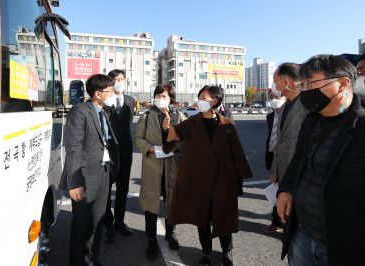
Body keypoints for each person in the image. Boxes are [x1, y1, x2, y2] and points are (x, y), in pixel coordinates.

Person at [277, 55, 365, 266]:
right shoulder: (311, 121)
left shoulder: (364, 127)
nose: (306, 91)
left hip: (342, 246)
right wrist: (285, 189)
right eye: (303, 85)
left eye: (312, 84)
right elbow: (298, 160)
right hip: (301, 233)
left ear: (343, 83)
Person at [162, 85, 253, 266]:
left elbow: (237, 153)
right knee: (201, 218)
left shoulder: (227, 124)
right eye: (199, 97)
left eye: (204, 97)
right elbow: (174, 135)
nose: (199, 100)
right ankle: (207, 253)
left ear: (215, 100)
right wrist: (167, 128)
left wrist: (239, 180)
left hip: (223, 181)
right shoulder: (191, 122)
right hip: (199, 180)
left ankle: (227, 252)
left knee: (224, 218)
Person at [59, 74, 118, 266]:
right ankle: (77, 262)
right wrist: (74, 182)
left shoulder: (105, 112)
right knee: (81, 225)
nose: (114, 94)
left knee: (97, 221)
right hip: (84, 176)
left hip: (103, 173)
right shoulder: (80, 111)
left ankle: (91, 259)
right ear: (98, 94)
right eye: (110, 91)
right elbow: (73, 147)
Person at [133, 84, 187, 260]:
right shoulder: (147, 116)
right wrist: (150, 149)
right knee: (151, 204)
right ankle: (151, 238)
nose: (161, 98)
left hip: (173, 167)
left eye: (164, 96)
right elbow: (138, 139)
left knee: (172, 203)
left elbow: (187, 139)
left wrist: (176, 147)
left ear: (171, 98)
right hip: (153, 167)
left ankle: (170, 233)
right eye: (158, 95)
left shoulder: (179, 116)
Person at [102, 69, 135, 243]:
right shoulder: (104, 100)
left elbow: (128, 124)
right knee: (106, 188)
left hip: (126, 150)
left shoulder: (130, 100)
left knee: (123, 188)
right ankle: (107, 223)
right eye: (116, 79)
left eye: (122, 79)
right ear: (110, 82)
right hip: (108, 151)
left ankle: (119, 221)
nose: (119, 82)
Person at [270, 63, 309, 184]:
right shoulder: (285, 106)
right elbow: (280, 143)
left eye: (275, 81)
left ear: (286, 81)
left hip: (301, 177)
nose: (273, 85)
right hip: (282, 175)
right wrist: (275, 169)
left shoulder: (308, 106)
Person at [261, 90, 286, 234]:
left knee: (284, 192)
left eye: (277, 97)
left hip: (284, 158)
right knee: (276, 190)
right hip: (272, 157)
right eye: (271, 97)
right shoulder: (270, 116)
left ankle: (284, 223)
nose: (273, 99)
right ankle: (276, 222)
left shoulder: (290, 115)